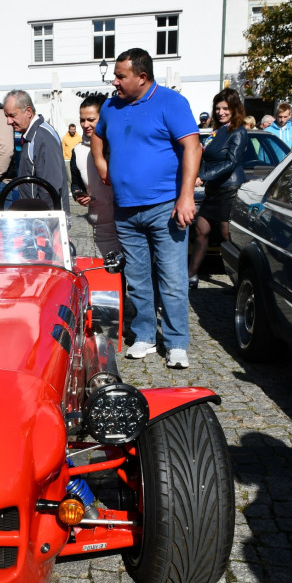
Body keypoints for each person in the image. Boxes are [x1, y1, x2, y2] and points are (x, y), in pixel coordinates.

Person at [92, 48, 201, 369]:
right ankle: (144, 336)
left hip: (166, 207)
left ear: (142, 77)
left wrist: (186, 197)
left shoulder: (171, 102)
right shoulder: (111, 107)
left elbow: (192, 146)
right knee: (138, 279)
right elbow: (98, 137)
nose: (114, 82)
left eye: (120, 76)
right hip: (126, 210)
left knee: (172, 277)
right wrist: (101, 164)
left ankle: (177, 342)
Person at [189, 88, 248, 290]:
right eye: (218, 108)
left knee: (226, 236)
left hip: (229, 188)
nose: (221, 112)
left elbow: (231, 162)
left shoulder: (239, 131)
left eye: (225, 108)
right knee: (200, 229)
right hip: (214, 189)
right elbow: (206, 157)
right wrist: (198, 175)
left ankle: (243, 281)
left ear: (234, 109)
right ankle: (191, 275)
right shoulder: (217, 130)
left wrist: (202, 178)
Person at [2, 89, 70, 214]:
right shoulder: (31, 135)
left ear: (28, 112)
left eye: (12, 116)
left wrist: (43, 221)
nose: (8, 122)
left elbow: (50, 187)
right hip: (36, 216)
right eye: (6, 116)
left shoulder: (42, 137)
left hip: (44, 219)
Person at [69, 95, 119, 256]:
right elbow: (76, 183)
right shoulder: (78, 151)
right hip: (101, 222)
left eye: (91, 119)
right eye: (82, 120)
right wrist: (78, 195)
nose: (85, 125)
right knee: (108, 272)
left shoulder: (118, 144)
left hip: (126, 220)